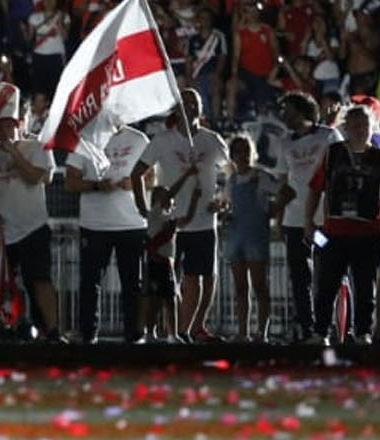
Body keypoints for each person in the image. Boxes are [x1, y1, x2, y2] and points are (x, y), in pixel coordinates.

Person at [131, 90, 227, 340]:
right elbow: (136, 173)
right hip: (170, 224)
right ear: (176, 109)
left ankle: (189, 330)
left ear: (202, 108)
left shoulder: (212, 140)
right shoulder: (163, 140)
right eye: (184, 102)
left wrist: (222, 201)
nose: (190, 106)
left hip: (204, 221)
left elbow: (232, 173)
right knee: (165, 285)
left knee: (202, 278)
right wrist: (143, 208)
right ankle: (165, 331)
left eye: (195, 102)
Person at [0, 91, 62, 340]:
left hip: (33, 227)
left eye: (8, 126)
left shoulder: (37, 147)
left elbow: (36, 178)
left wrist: (15, 154)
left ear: (19, 124)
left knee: (40, 280)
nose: (4, 132)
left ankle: (51, 330)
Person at [66, 117, 149, 343]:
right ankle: (88, 334)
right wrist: (96, 186)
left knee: (133, 283)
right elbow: (70, 181)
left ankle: (134, 334)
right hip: (95, 225)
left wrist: (134, 183)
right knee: (89, 281)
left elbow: (153, 177)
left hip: (132, 223)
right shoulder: (86, 138)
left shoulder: (140, 139)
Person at [307, 102, 380, 345]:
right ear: (346, 128)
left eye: (365, 125)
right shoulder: (333, 153)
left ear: (372, 127)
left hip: (368, 232)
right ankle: (321, 332)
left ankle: (362, 332)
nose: (360, 130)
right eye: (355, 125)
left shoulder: (377, 157)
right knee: (326, 285)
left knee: (365, 286)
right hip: (334, 231)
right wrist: (309, 222)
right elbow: (315, 188)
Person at [271, 93, 340, 343]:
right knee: (300, 277)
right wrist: (278, 219)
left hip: (324, 221)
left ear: (301, 111)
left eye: (287, 110)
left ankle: (327, 328)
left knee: (327, 274)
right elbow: (283, 182)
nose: (283, 115)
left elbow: (341, 170)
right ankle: (306, 328)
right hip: (294, 222)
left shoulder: (328, 135)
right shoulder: (284, 143)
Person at [221, 133, 278, 342]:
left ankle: (262, 332)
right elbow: (228, 205)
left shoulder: (260, 176)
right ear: (232, 156)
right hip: (236, 236)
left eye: (246, 151)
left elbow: (284, 192)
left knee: (260, 285)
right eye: (238, 151)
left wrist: (273, 215)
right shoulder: (231, 180)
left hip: (255, 236)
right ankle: (242, 332)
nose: (242, 155)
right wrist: (225, 215)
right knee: (240, 288)